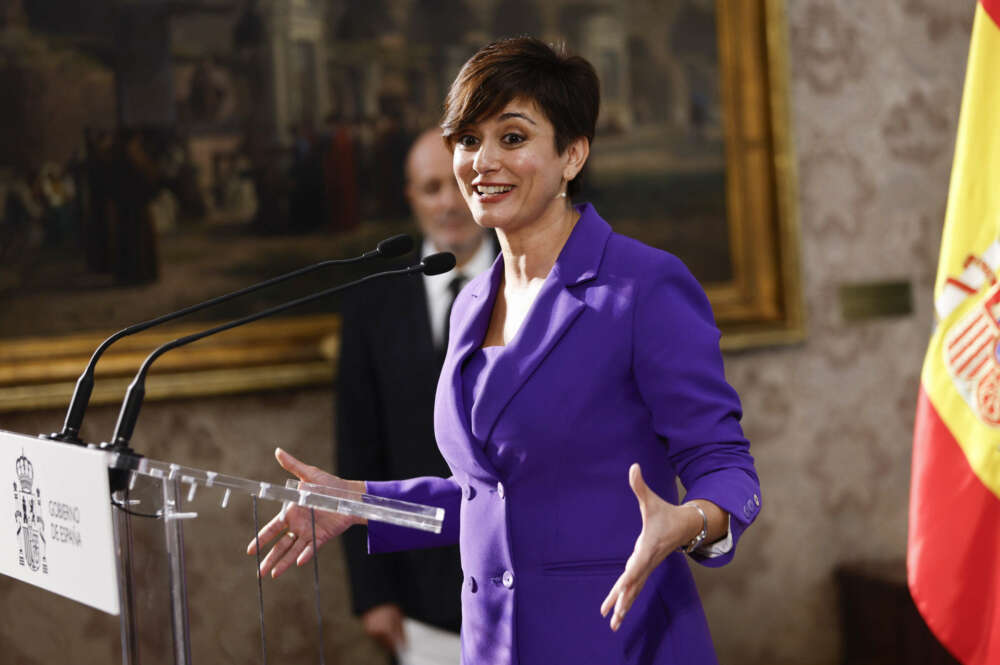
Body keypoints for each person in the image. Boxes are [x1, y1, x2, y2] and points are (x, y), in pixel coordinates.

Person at [249, 37, 760, 665]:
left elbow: (725, 462)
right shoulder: (470, 302)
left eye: (513, 138)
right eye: (467, 139)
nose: (481, 161)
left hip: (622, 642)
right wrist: (359, 504)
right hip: (494, 648)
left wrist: (697, 521)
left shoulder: (644, 286)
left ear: (572, 154)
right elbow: (487, 498)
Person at [336, 128, 496, 662]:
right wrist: (372, 593)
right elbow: (358, 452)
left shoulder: (534, 283)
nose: (448, 203)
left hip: (529, 580)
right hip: (418, 595)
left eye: (457, 183)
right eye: (431, 189)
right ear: (411, 197)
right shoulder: (370, 305)